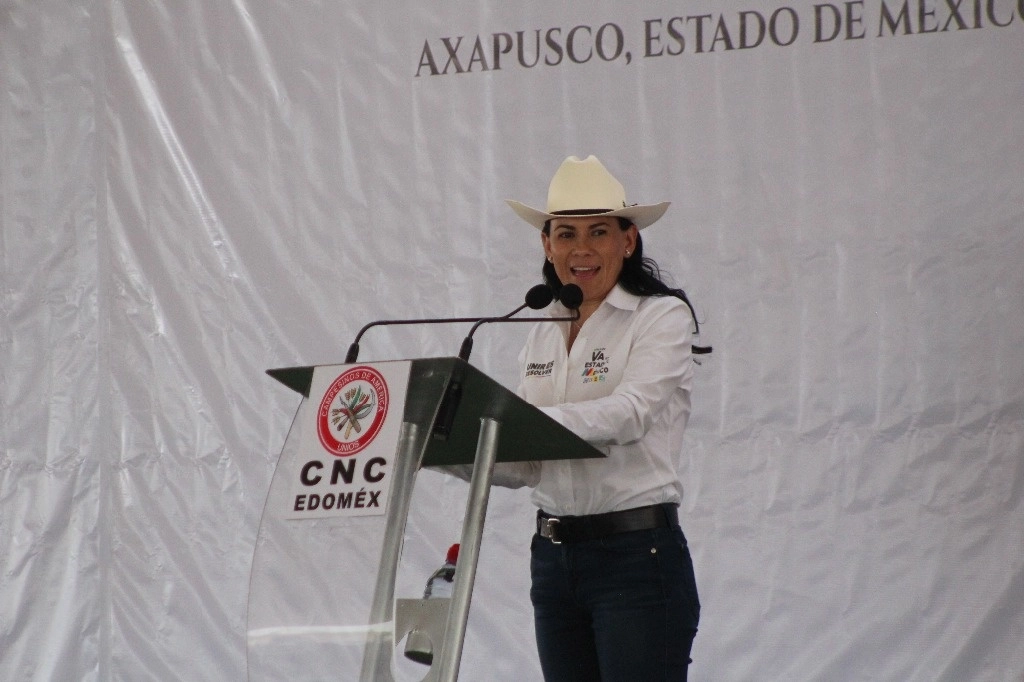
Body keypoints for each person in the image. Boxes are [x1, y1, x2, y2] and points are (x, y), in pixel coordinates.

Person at [503, 155, 705, 681]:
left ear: (628, 240)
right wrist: (445, 447)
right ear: (547, 245)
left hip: (636, 558)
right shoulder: (543, 331)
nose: (582, 249)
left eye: (599, 232)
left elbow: (631, 413)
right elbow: (527, 467)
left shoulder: (661, 316)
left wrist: (526, 424)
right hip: (552, 562)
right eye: (566, 234)